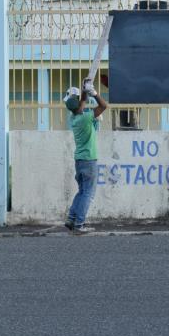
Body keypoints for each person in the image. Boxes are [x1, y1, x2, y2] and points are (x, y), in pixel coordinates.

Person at [64, 79, 108, 235]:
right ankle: (79, 224)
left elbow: (82, 102)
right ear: (79, 106)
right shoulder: (86, 118)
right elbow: (104, 106)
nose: (82, 103)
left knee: (82, 192)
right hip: (89, 160)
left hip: (79, 160)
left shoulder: (74, 118)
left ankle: (71, 219)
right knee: (88, 194)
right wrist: (94, 93)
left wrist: (85, 88)